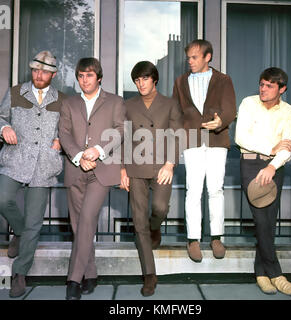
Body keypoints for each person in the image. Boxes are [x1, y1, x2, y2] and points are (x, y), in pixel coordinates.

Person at [59, 57, 126, 300]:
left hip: (102, 170)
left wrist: (97, 151)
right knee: (79, 226)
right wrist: (79, 156)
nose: (84, 80)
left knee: (86, 219)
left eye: (89, 75)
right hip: (76, 169)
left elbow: (120, 130)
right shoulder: (69, 103)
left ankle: (74, 279)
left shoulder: (115, 102)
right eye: (80, 75)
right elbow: (64, 134)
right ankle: (91, 273)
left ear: (99, 77)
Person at [0, 50, 65, 298]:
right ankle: (18, 230)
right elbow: (1, 116)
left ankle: (20, 273)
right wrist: (4, 127)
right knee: (2, 198)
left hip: (43, 166)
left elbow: (67, 127)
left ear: (54, 74)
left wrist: (60, 139)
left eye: (45, 72)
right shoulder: (16, 92)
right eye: (36, 70)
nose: (39, 75)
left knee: (34, 223)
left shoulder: (62, 99)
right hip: (15, 159)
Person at [120, 61, 183, 296]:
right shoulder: (128, 105)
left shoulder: (170, 104)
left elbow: (177, 136)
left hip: (161, 168)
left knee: (159, 208)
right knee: (138, 221)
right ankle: (149, 275)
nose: (140, 84)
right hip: (135, 168)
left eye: (144, 79)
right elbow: (123, 138)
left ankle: (156, 227)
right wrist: (122, 170)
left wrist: (170, 164)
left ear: (154, 79)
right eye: (137, 80)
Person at [235, 67, 291, 296]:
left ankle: (260, 273)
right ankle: (276, 273)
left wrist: (272, 164)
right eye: (261, 84)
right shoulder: (248, 103)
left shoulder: (289, 112)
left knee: (268, 221)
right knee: (261, 219)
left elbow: (288, 146)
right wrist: (269, 148)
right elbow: (241, 137)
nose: (263, 89)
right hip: (251, 164)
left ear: (282, 89)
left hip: (275, 167)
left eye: (269, 86)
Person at [173, 39, 236, 262]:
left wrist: (221, 122)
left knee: (216, 189)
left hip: (217, 141)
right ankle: (193, 239)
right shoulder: (180, 82)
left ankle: (216, 237)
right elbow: (176, 112)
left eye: (194, 57)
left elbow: (230, 109)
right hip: (191, 142)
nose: (189, 61)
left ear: (208, 57)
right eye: (188, 57)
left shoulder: (223, 80)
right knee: (193, 190)